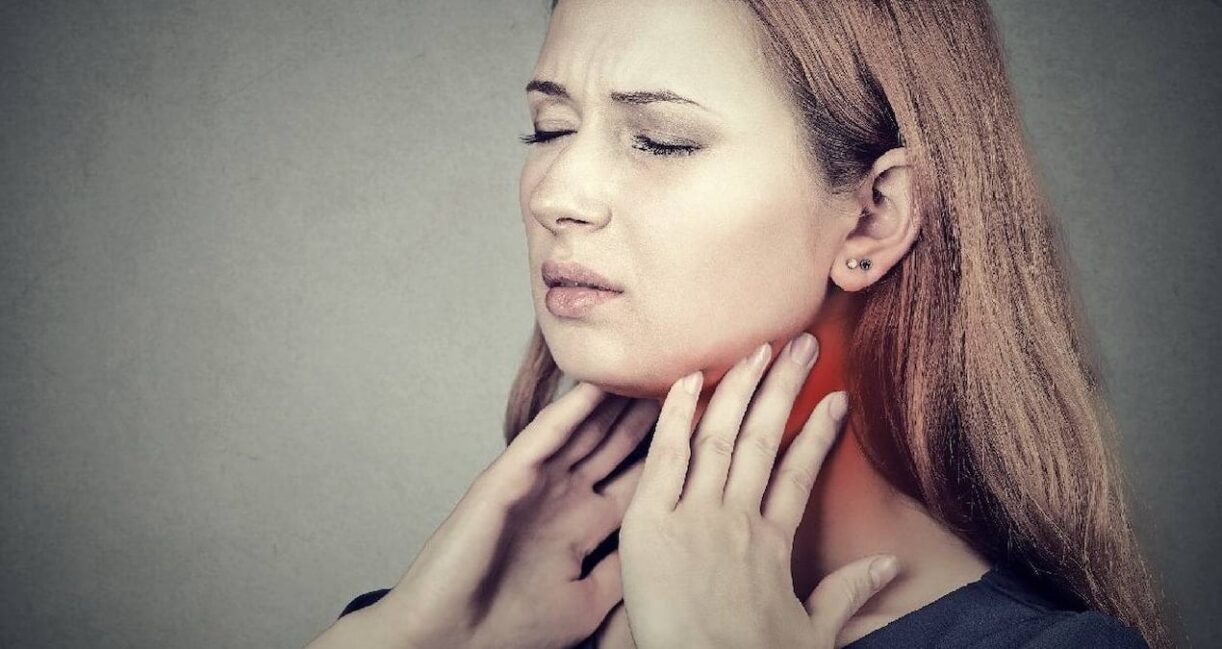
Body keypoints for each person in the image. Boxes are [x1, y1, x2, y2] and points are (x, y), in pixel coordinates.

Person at [304, 0, 1176, 647]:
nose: (556, 194)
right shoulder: (471, 625)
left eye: (661, 140)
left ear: (873, 216)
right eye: (549, 128)